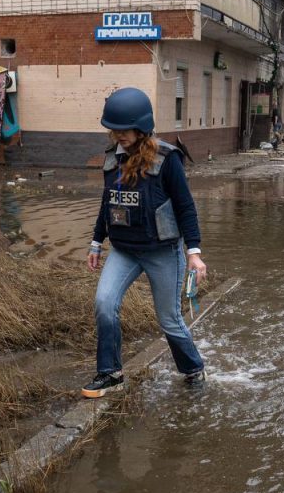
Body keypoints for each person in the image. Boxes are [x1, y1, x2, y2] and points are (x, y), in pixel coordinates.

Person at [82, 87, 207, 398]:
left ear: (142, 126)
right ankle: (110, 373)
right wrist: (97, 241)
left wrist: (194, 252)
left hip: (162, 252)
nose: (118, 135)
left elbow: (185, 206)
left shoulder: (167, 160)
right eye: (114, 129)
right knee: (104, 303)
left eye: (124, 130)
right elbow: (107, 202)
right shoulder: (112, 160)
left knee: (169, 319)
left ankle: (193, 370)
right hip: (124, 250)